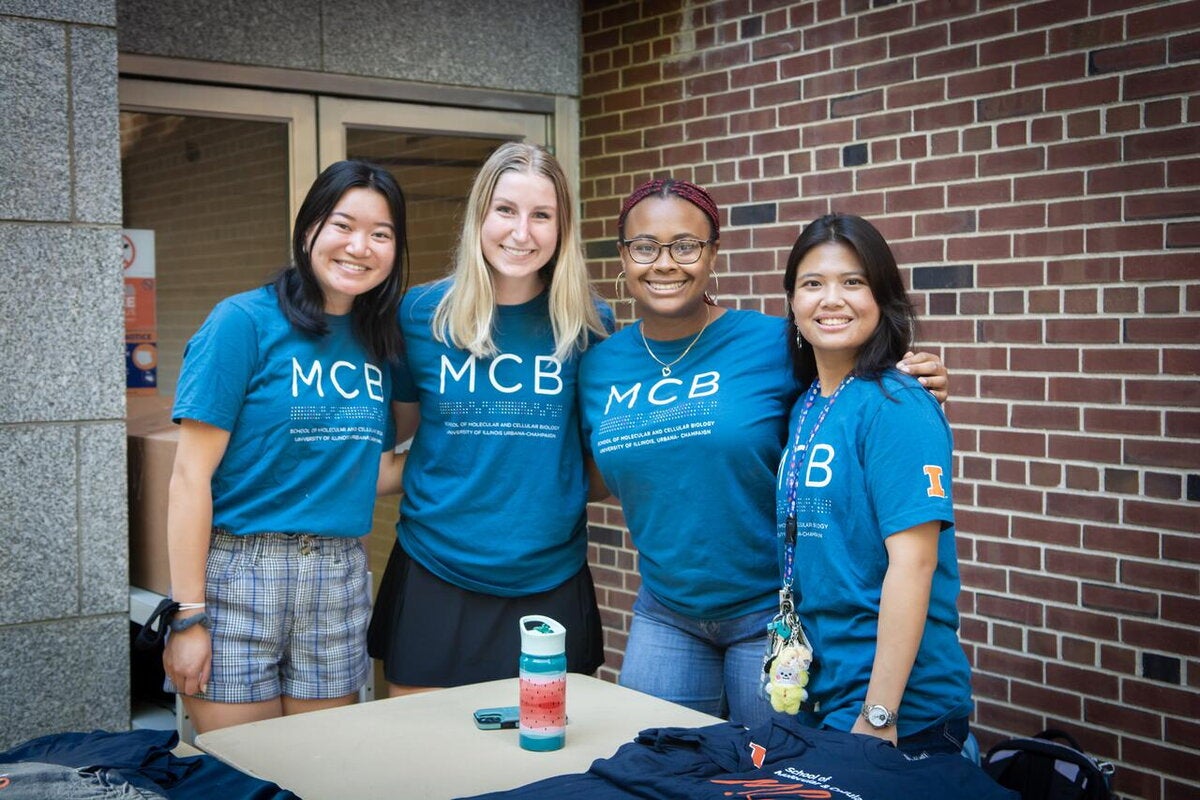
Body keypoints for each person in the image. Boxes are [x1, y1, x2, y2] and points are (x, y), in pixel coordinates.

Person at [577, 178, 948, 727]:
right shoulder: (598, 366)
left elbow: (847, 382)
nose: (664, 263)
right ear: (624, 258)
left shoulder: (775, 342)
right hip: (666, 612)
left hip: (771, 614)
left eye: (685, 244)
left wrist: (912, 378)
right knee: (652, 769)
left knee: (769, 777)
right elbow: (596, 480)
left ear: (712, 254)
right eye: (644, 247)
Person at [162, 159, 408, 733]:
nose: (360, 246)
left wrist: (471, 452)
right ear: (308, 231)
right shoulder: (242, 322)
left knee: (319, 774)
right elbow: (189, 478)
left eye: (381, 233)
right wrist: (188, 616)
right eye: (343, 225)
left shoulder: (381, 341)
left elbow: (365, 473)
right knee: (244, 774)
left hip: (339, 575)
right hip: (238, 575)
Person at [368, 142, 612, 695]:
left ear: (561, 227)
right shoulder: (419, 314)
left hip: (551, 575)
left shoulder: (590, 324)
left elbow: (601, 456)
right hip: (435, 569)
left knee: (545, 767)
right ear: (481, 214)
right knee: (423, 767)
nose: (521, 232)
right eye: (505, 210)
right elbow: (401, 434)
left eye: (541, 215)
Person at [776, 213, 972, 756]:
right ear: (792, 303)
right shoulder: (808, 403)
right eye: (813, 283)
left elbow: (915, 564)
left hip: (894, 714)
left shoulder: (898, 403)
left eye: (853, 282)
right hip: (824, 694)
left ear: (883, 297)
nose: (831, 299)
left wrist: (879, 713)